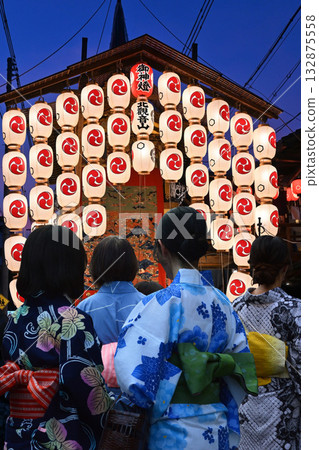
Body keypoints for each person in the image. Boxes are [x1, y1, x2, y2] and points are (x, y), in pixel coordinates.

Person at [114, 206, 258, 450]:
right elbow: (241, 364)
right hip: (216, 424)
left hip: (172, 429)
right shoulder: (223, 303)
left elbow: (133, 377)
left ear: (162, 248)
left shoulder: (160, 303)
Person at [0, 225, 111, 449]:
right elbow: (84, 383)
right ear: (69, 268)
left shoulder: (14, 318)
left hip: (17, 434)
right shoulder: (73, 320)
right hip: (58, 435)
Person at [232, 236, 301, 450]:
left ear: (251, 267)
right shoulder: (294, 309)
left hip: (244, 406)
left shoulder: (235, 308)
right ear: (285, 268)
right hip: (283, 411)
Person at [78, 236, 145, 394]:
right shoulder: (148, 305)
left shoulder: (83, 309)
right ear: (132, 266)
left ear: (95, 267)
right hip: (139, 393)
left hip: (95, 395)